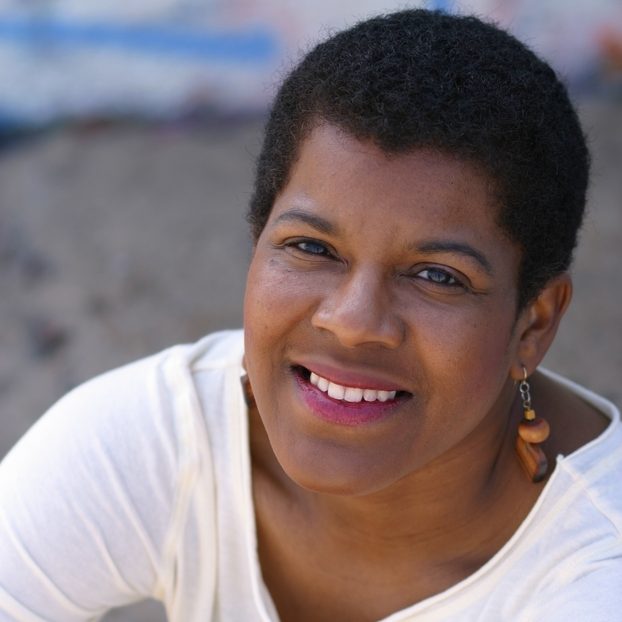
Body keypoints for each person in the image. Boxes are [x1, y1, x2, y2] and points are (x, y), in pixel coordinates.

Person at [1, 8, 620, 622]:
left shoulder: (595, 575)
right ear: (257, 241)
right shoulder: (164, 439)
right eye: (312, 248)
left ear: (534, 323)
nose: (352, 321)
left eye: (437, 276)